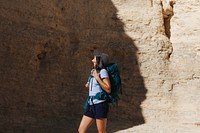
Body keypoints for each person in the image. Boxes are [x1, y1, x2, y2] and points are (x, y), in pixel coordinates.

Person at [78, 51, 111, 133]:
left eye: (94, 58)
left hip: (100, 104)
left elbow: (108, 89)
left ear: (99, 61)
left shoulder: (103, 72)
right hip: (91, 104)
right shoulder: (93, 71)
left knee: (101, 132)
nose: (92, 60)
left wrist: (97, 78)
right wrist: (89, 84)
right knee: (81, 130)